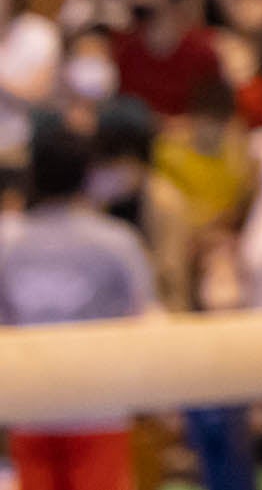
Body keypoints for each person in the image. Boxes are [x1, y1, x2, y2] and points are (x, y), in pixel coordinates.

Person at [0, 125, 162, 490]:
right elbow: (148, 318)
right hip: (94, 404)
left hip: (35, 403)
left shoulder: (8, 243)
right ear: (87, 176)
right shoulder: (116, 243)